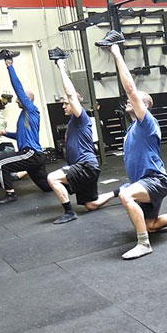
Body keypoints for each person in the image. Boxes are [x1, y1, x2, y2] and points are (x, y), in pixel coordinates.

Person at [96, 31, 167, 259]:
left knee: (126, 196)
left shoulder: (147, 122)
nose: (130, 101)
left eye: (136, 100)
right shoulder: (133, 127)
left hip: (155, 181)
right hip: (143, 181)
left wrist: (116, 53)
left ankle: (143, 244)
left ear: (144, 105)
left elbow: (130, 89)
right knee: (150, 224)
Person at [45, 48, 115, 224]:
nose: (63, 106)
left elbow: (70, 94)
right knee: (91, 205)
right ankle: (119, 191)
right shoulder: (73, 122)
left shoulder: (81, 117)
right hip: (87, 167)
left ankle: (69, 212)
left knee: (52, 178)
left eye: (65, 104)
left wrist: (61, 66)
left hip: (85, 166)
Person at [0, 50, 51, 204]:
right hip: (35, 156)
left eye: (19, 99)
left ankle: (10, 193)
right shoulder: (23, 116)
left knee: (0, 163)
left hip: (31, 154)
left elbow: (17, 87)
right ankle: (73, 184)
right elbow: (21, 136)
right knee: (48, 187)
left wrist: (10, 66)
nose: (17, 100)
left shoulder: (31, 109)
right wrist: (7, 133)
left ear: (26, 100)